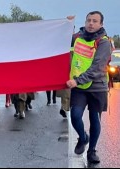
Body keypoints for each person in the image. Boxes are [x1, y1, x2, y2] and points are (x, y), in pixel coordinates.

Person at [66, 12, 112, 164]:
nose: (91, 23)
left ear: (101, 24)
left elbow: (97, 67)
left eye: (95, 21)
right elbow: (61, 41)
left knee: (95, 119)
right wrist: (67, 26)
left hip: (97, 87)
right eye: (88, 20)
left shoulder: (104, 42)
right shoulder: (77, 37)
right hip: (79, 87)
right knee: (75, 116)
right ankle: (83, 137)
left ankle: (92, 151)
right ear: (85, 22)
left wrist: (77, 80)